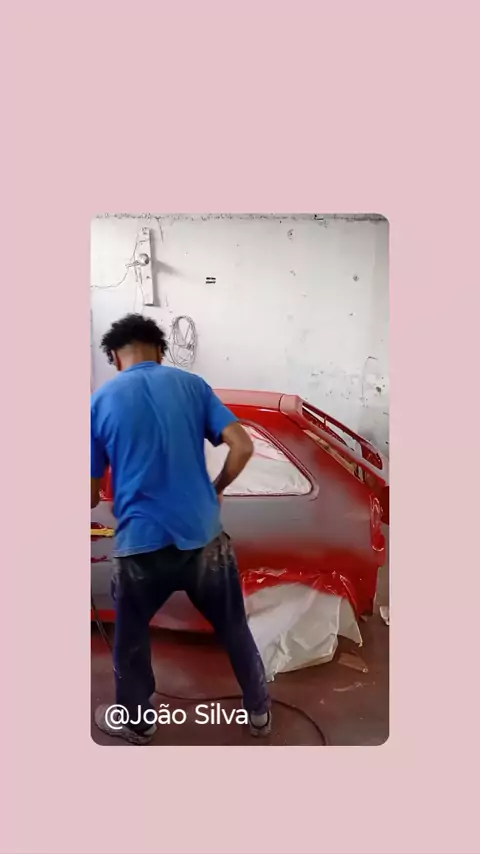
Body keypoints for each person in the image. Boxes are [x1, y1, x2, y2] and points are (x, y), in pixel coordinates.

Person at [91, 314, 271, 744]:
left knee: (132, 641)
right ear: (161, 351)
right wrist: (216, 488)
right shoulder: (193, 386)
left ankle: (138, 723)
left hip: (140, 548)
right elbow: (243, 445)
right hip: (204, 539)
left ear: (114, 356)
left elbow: (89, 496)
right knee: (233, 627)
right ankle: (260, 713)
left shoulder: (100, 401)